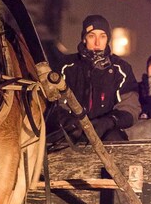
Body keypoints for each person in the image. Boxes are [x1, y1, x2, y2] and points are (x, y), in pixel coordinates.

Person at [49, 14, 140, 142]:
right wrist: (68, 121)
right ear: (84, 39)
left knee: (114, 141)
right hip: (72, 131)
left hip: (108, 133)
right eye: (92, 36)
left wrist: (108, 122)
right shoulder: (66, 66)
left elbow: (130, 107)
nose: (97, 42)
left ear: (107, 39)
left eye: (102, 36)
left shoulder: (121, 69)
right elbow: (54, 103)